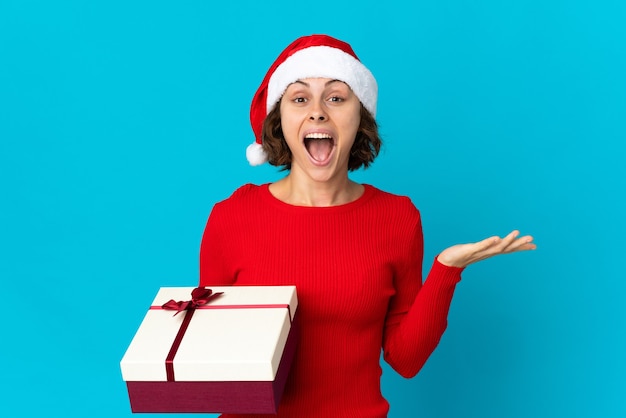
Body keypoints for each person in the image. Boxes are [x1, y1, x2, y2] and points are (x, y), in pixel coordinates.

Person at [199, 34, 535, 417]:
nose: (318, 112)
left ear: (361, 117)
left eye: (336, 97)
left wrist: (446, 270)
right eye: (299, 98)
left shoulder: (397, 218)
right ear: (280, 118)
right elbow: (214, 362)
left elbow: (406, 360)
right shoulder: (232, 216)